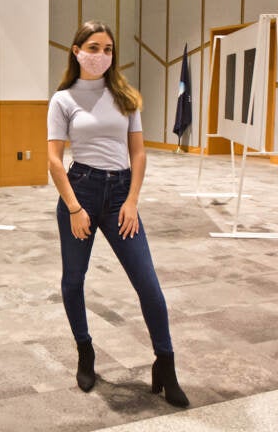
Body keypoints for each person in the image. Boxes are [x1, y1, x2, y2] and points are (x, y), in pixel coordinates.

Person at [47, 20, 189, 407]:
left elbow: (139, 153)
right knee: (74, 280)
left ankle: (165, 363)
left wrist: (132, 200)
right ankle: (85, 351)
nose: (101, 56)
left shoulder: (125, 95)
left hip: (120, 196)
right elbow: (54, 161)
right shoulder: (63, 100)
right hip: (81, 191)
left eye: (108, 49)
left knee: (148, 284)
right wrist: (75, 207)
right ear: (76, 51)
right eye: (93, 48)